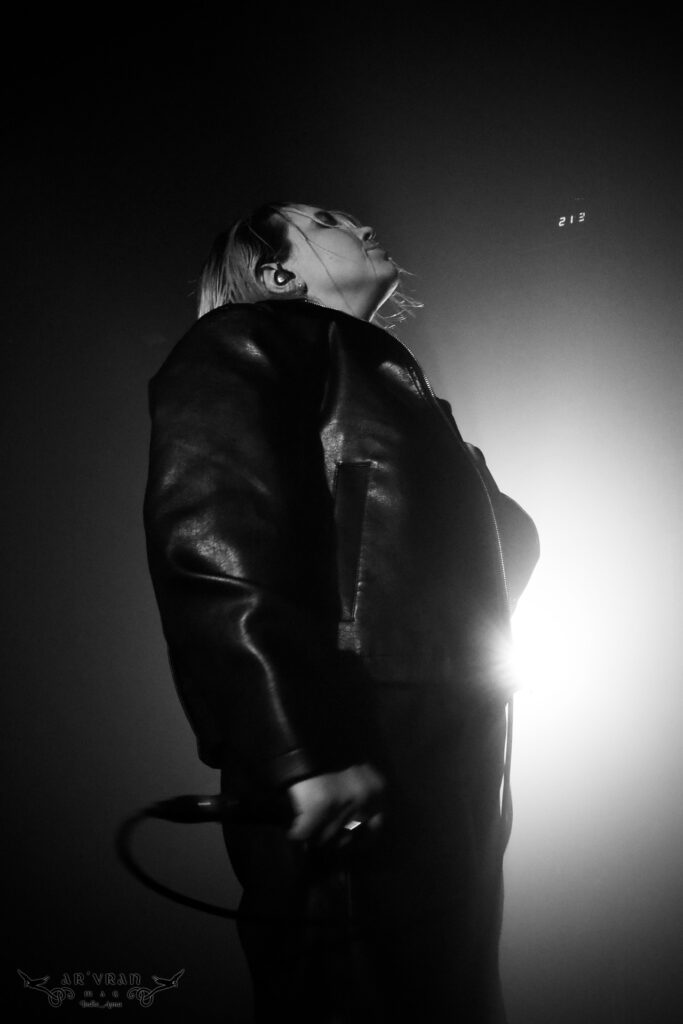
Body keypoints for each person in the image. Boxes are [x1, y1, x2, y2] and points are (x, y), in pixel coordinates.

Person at [143, 202, 540, 1023]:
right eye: (322, 221)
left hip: (453, 753)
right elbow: (215, 543)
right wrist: (300, 748)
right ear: (276, 273)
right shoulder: (244, 343)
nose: (355, 222)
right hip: (356, 735)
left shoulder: (410, 401)